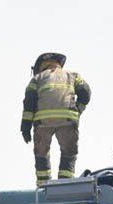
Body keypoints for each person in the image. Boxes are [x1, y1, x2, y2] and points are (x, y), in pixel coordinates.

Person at [21, 52, 92, 185]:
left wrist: (25, 127)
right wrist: (78, 110)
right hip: (67, 119)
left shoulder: (37, 78)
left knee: (41, 155)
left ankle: (43, 187)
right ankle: (65, 185)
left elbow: (29, 103)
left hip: (42, 122)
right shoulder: (73, 75)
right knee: (68, 154)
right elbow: (85, 93)